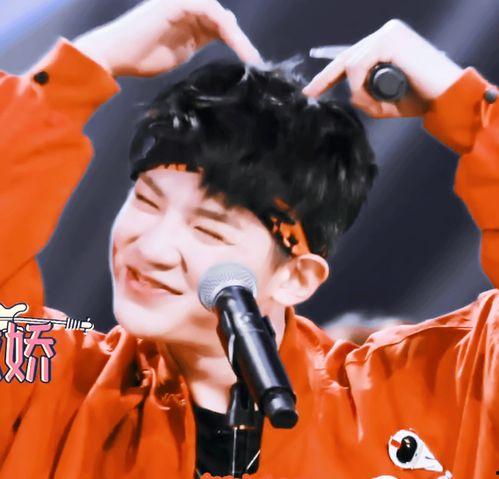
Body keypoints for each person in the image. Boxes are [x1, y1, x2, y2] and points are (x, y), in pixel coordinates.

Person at [0, 0, 497, 478]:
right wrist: (83, 68)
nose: (150, 248)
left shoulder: (420, 396)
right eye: (147, 202)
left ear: (296, 277)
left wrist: (467, 105)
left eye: (207, 229)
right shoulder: (45, 380)